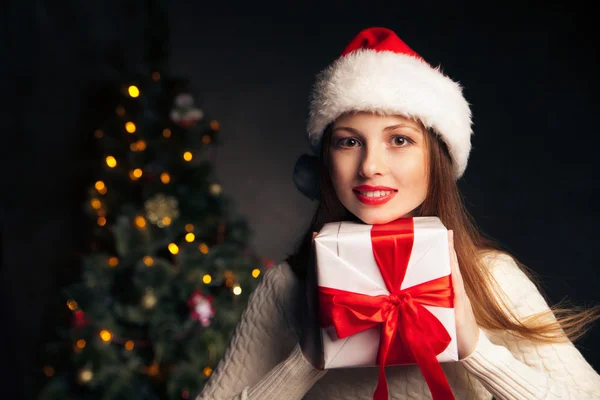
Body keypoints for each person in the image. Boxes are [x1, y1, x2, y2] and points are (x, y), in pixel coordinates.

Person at [197, 27, 600, 400]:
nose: (370, 165)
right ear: (324, 163)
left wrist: (476, 349)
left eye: (400, 139)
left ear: (436, 161)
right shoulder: (285, 288)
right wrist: (303, 363)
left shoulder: (490, 277)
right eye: (349, 141)